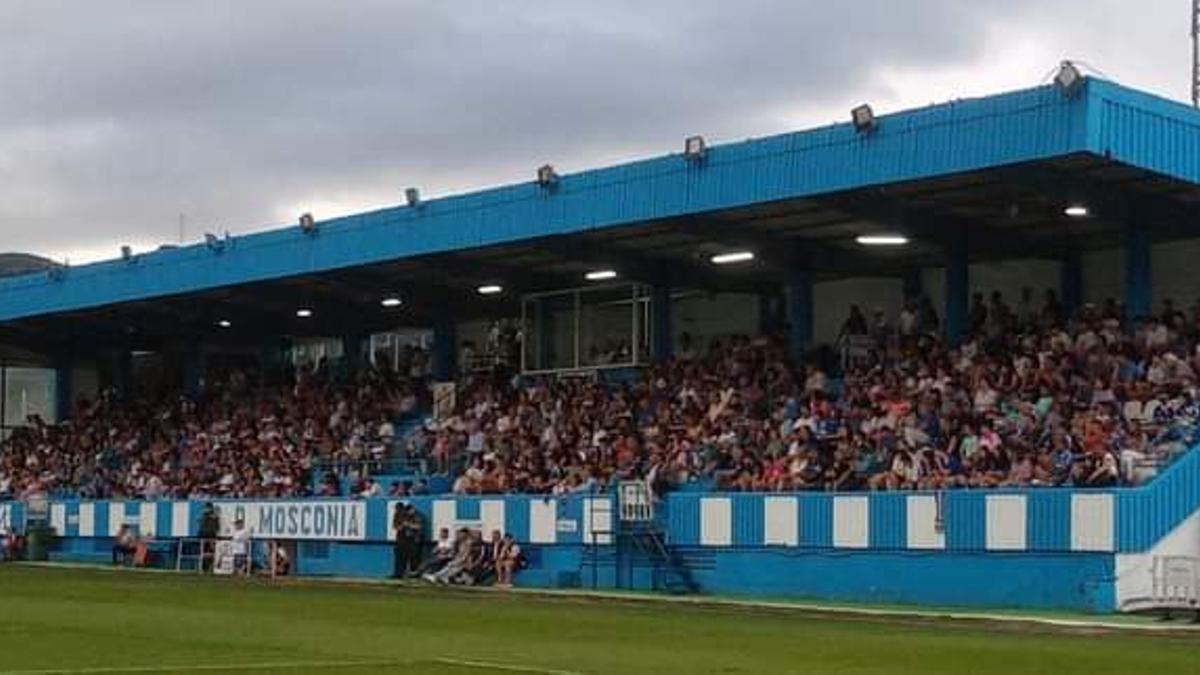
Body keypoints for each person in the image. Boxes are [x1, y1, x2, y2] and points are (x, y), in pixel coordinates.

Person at [198, 502, 220, 573]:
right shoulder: (204, 515)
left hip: (210, 535)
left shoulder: (214, 516)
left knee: (211, 551)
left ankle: (210, 567)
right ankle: (205, 567)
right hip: (205, 535)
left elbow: (217, 526)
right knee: (204, 551)